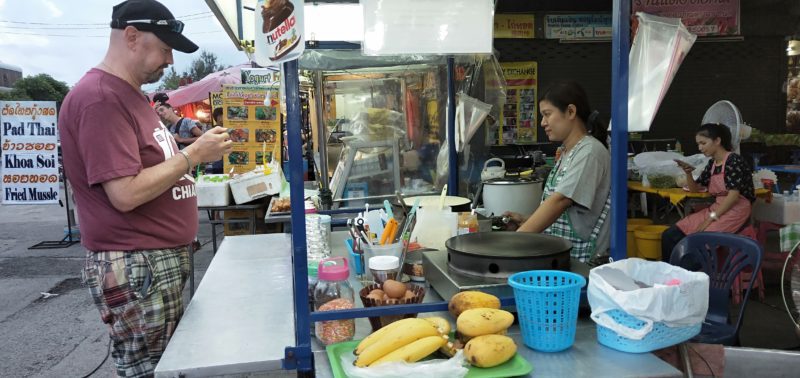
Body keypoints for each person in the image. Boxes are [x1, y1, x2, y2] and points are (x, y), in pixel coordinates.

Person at [57, 1, 233, 376]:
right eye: (166, 48)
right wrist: (194, 156)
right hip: (138, 262)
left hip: (151, 261)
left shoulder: (129, 94)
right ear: (132, 37)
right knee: (152, 369)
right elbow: (125, 193)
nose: (170, 60)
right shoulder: (100, 98)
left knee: (166, 364)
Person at [504, 82, 611, 263]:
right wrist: (527, 220)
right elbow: (570, 214)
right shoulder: (567, 152)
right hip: (561, 257)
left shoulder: (590, 151)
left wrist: (515, 241)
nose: (543, 123)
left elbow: (560, 201)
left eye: (547, 114)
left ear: (570, 112)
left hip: (581, 263)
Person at [661, 123, 755, 262]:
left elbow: (733, 196)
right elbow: (695, 189)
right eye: (698, 144)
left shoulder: (734, 161)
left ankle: (689, 279)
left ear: (717, 141)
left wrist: (710, 219)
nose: (700, 148)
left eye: (703, 143)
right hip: (717, 208)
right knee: (670, 235)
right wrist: (688, 173)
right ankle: (669, 276)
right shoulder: (712, 164)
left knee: (700, 242)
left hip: (736, 209)